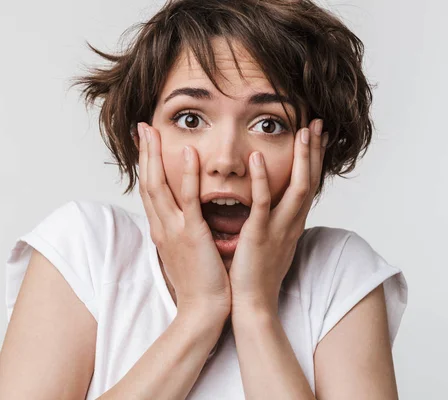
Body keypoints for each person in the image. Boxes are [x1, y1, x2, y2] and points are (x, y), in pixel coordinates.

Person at [0, 0, 408, 398]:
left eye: (270, 124)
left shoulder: (340, 274)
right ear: (140, 135)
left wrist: (255, 310)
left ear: (316, 150)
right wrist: (199, 313)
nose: (226, 160)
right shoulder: (86, 250)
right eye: (190, 118)